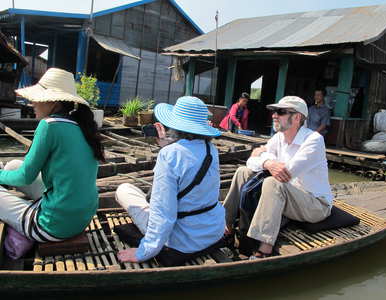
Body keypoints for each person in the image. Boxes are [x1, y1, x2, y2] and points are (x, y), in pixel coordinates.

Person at [116, 96, 225, 265]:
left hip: (183, 241)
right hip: (212, 232)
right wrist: (168, 147)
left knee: (124, 189)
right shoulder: (211, 149)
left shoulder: (169, 155)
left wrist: (144, 251)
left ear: (175, 125)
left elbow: (163, 213)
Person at [0, 68, 104, 243]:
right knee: (12, 165)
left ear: (53, 102)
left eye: (36, 99)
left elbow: (25, 177)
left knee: (11, 172)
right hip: (82, 218)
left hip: (54, 226)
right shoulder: (82, 126)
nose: (32, 103)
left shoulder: (49, 125)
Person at [223, 96, 333, 258]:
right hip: (288, 197)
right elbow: (251, 161)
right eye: (275, 111)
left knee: (273, 183)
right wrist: (267, 162)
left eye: (280, 112)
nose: (274, 115)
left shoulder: (313, 140)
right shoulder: (279, 137)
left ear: (297, 118)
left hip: (315, 205)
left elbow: (286, 174)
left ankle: (264, 248)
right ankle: (226, 226)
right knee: (243, 172)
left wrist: (264, 157)